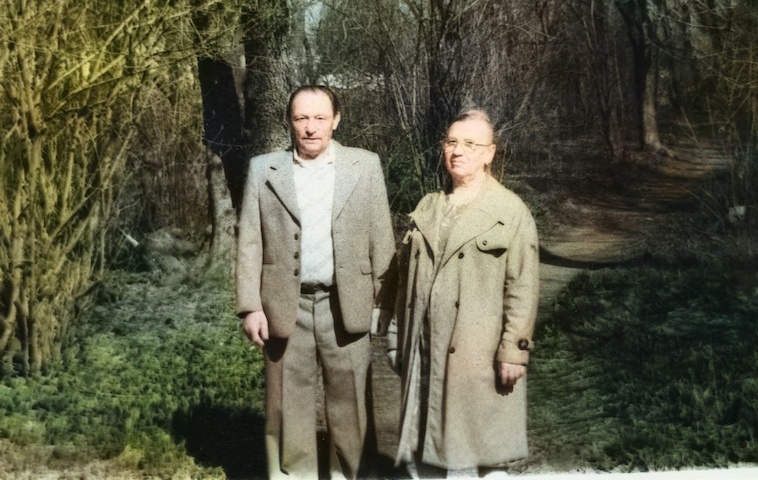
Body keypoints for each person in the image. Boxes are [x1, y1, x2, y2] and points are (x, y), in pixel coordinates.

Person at [236, 85, 397, 479]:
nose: (310, 127)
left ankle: (353, 475)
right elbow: (250, 242)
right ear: (289, 122)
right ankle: (295, 474)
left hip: (346, 304)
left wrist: (383, 303)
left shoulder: (364, 165)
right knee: (288, 405)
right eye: (301, 118)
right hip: (283, 307)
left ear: (335, 120)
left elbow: (382, 237)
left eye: (320, 118)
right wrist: (250, 307)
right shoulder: (264, 169)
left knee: (352, 406)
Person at [387, 109, 540, 478]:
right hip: (424, 351)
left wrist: (514, 351)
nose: (458, 151)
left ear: (490, 153)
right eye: (451, 142)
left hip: (478, 356)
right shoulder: (428, 207)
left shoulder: (510, 211)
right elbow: (403, 283)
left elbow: (522, 287)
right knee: (425, 449)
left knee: (480, 453)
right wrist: (395, 338)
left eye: (470, 144)